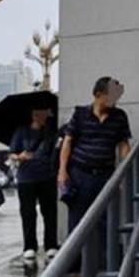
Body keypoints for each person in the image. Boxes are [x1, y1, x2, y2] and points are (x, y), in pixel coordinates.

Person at [58, 76, 131, 232]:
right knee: (77, 221)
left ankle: (106, 256)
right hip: (80, 175)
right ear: (98, 95)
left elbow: (123, 145)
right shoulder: (80, 114)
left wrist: (123, 174)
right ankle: (76, 257)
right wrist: (62, 170)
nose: (115, 100)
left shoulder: (119, 116)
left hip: (106, 175)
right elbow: (67, 142)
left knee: (107, 221)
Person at [10, 104, 59, 263]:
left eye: (46, 112)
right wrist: (20, 157)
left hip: (48, 177)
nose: (44, 115)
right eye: (41, 112)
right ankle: (29, 246)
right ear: (34, 114)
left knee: (50, 212)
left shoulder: (51, 132)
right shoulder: (21, 132)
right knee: (28, 213)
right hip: (26, 179)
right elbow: (12, 154)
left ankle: (50, 244)